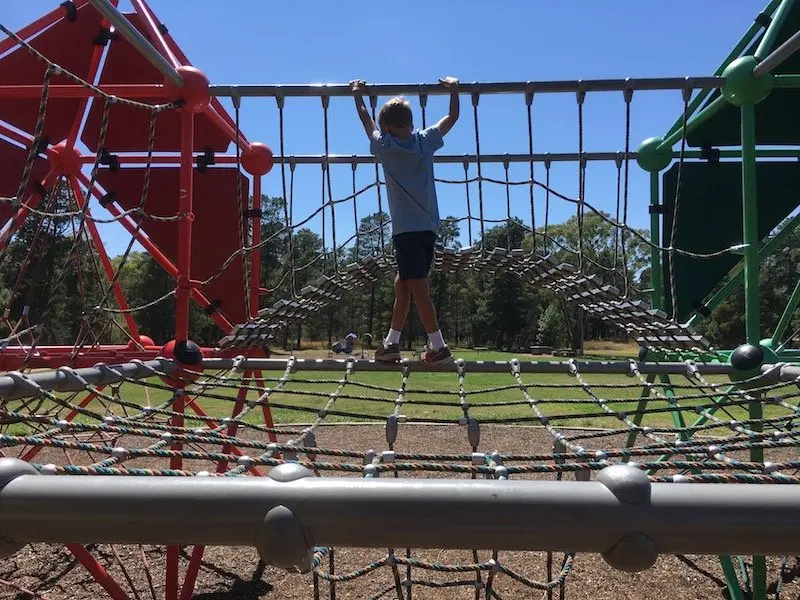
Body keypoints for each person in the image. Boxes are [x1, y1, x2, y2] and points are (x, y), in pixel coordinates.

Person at [350, 77, 460, 365]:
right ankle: (391, 344)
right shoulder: (424, 141)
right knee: (403, 284)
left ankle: (439, 346)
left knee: (419, 288)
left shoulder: (385, 147)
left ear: (386, 126)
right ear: (411, 123)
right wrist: (455, 90)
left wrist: (357, 95)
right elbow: (452, 117)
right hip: (428, 229)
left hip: (406, 231)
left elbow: (365, 122)